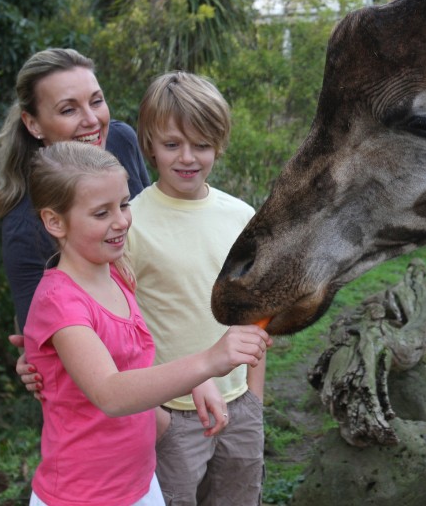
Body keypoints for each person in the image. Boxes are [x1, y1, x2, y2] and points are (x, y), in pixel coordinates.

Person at [22, 140, 270, 506]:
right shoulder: (60, 303)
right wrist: (207, 363)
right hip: (81, 495)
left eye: (123, 204)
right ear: (55, 221)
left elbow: (130, 360)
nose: (121, 221)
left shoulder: (117, 273)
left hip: (139, 485)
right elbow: (110, 392)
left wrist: (191, 382)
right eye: (101, 213)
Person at [127, 71, 264, 505]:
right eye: (172, 144)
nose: (187, 157)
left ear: (219, 144)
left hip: (240, 407)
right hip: (172, 417)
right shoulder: (130, 224)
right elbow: (121, 329)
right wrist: (156, 416)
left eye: (201, 144)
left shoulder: (242, 217)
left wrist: (254, 399)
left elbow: (256, 314)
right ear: (150, 145)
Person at [0, 48, 151, 330]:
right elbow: (41, 336)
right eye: (68, 109)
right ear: (33, 124)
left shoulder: (120, 141)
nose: (91, 120)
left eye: (96, 101)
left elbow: (156, 224)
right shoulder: (26, 225)